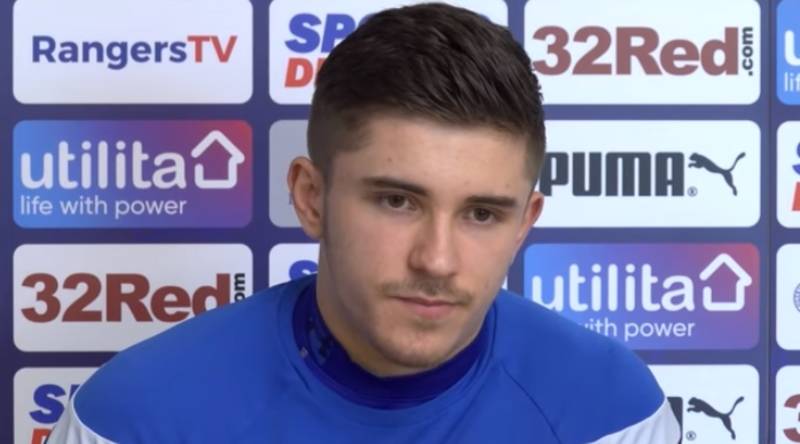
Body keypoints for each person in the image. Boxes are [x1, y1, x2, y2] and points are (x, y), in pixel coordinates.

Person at [48, 3, 680, 443]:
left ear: (524, 225)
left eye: (482, 213)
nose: (437, 260)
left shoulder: (611, 414)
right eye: (397, 201)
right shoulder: (133, 419)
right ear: (311, 198)